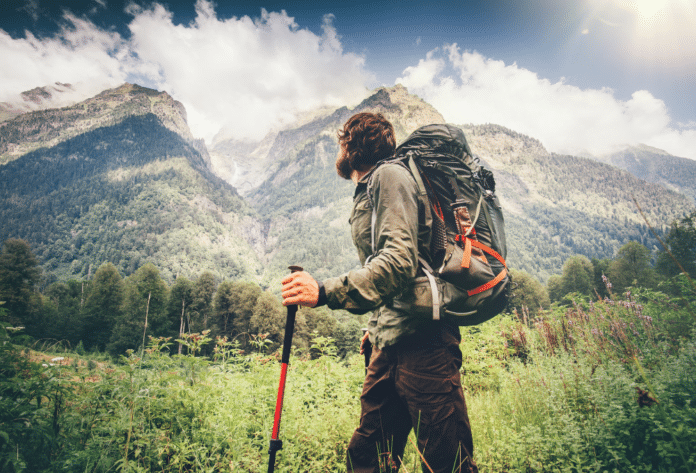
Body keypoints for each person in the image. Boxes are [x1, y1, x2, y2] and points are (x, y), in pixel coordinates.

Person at [281, 112, 478, 473]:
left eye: (341, 143)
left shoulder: (389, 175)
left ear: (352, 146)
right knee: (369, 455)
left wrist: (324, 292)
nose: (338, 151)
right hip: (388, 344)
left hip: (426, 345)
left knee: (447, 463)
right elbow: (398, 261)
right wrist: (377, 324)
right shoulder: (373, 185)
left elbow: (399, 261)